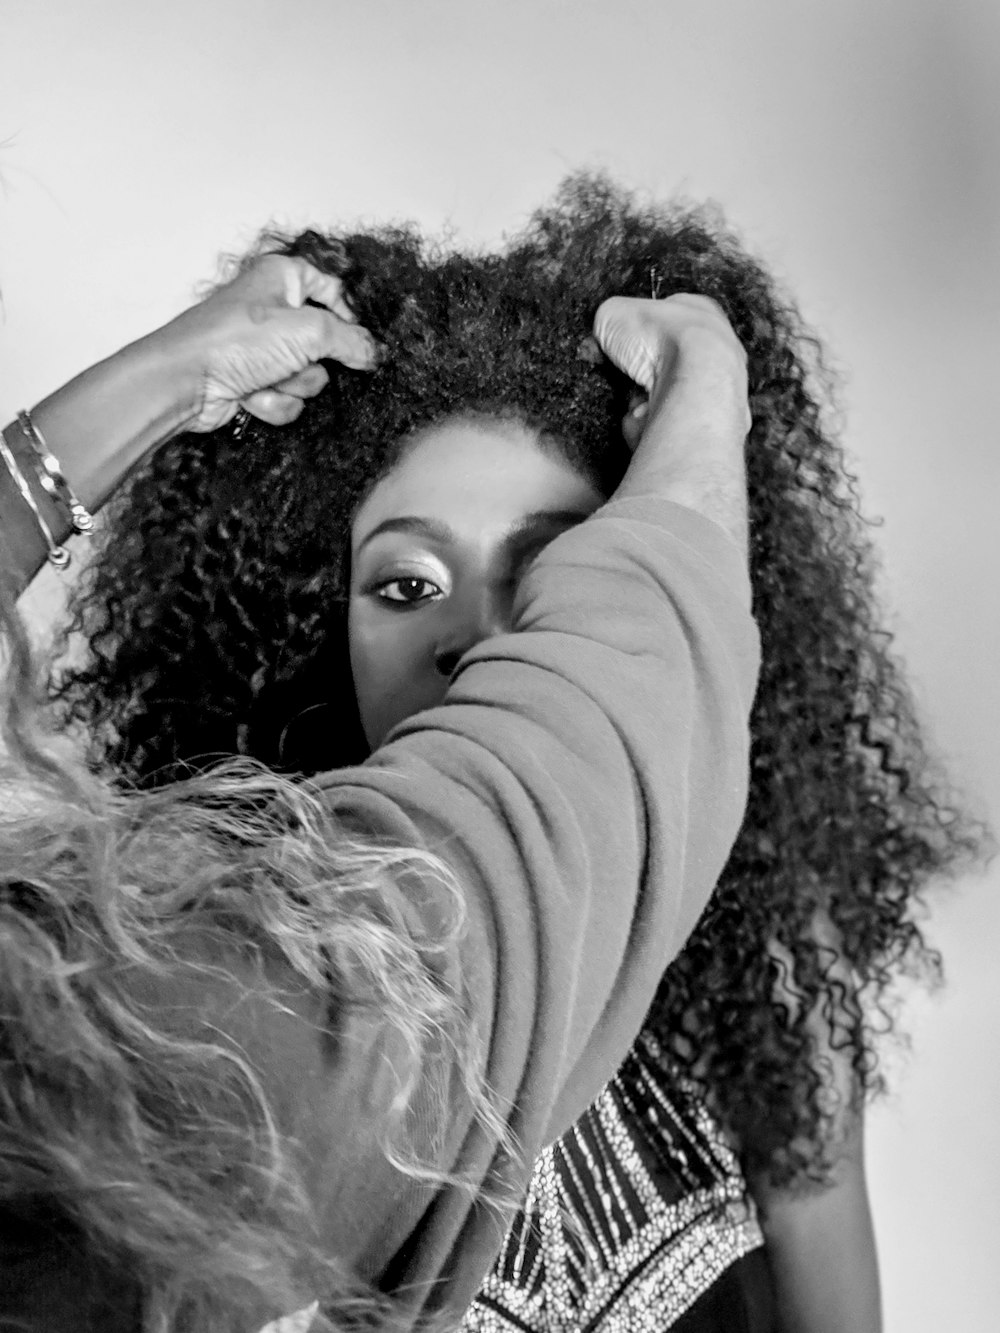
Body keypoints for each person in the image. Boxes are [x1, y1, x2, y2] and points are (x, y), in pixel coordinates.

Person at [40, 174, 978, 1332]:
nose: (475, 644)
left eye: (556, 581)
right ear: (312, 629)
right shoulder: (213, 1016)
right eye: (403, 584)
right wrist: (703, 405)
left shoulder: (761, 973)